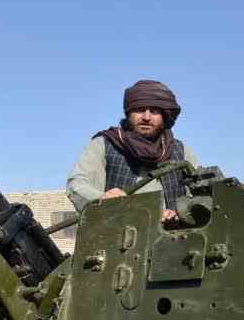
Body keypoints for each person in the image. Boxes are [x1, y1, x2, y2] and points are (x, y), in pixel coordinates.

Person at [66, 79, 203, 223]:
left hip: (173, 234)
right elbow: (77, 185)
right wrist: (102, 199)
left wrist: (181, 212)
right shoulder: (105, 143)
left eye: (154, 111)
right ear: (129, 113)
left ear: (164, 116)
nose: (146, 117)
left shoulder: (180, 151)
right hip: (117, 230)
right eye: (140, 110)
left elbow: (203, 192)